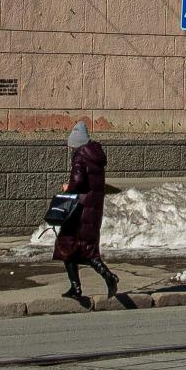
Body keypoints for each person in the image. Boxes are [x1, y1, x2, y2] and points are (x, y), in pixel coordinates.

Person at [54, 120, 124, 305]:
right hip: (92, 209)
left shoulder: (80, 157)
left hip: (80, 210)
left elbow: (77, 181)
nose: (70, 150)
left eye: (71, 146)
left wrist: (67, 187)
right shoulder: (95, 157)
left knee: (68, 246)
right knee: (83, 247)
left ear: (76, 143)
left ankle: (97, 280)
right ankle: (83, 285)